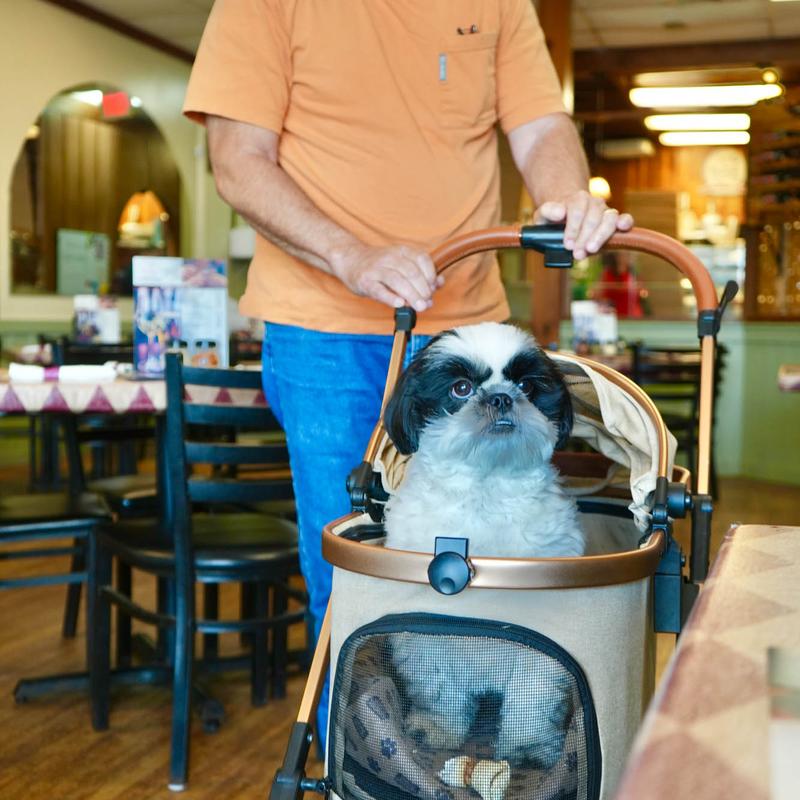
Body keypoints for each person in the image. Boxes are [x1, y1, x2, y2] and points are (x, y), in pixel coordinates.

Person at [184, 0, 633, 739]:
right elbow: (238, 159)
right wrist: (350, 255)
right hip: (325, 324)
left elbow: (541, 126)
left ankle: (508, 751)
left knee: (515, 565)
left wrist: (566, 203)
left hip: (469, 321)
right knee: (357, 573)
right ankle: (368, 763)